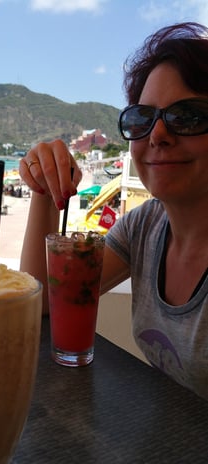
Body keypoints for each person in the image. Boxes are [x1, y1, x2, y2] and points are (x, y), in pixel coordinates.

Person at [19, 22, 208, 401]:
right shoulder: (145, 226)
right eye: (142, 119)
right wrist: (45, 186)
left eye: (187, 116)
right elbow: (43, 301)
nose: (157, 135)